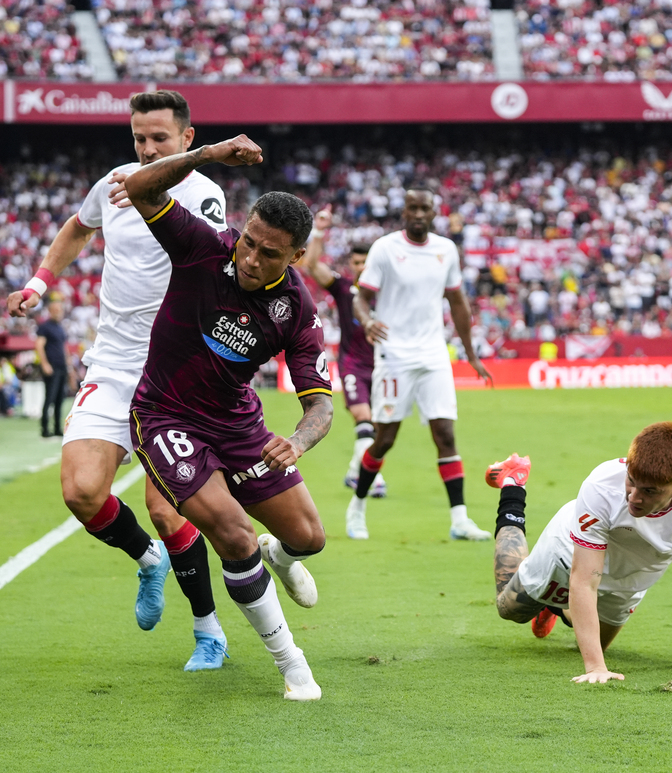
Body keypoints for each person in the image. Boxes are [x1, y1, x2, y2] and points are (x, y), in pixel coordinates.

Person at [7, 90, 232, 671]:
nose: (148, 148)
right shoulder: (114, 183)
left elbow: (207, 263)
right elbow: (76, 230)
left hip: (175, 373)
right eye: (139, 139)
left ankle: (208, 630)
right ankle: (147, 560)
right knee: (81, 491)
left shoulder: (204, 195)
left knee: (168, 507)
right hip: (112, 363)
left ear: (187, 139)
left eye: (160, 138)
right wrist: (38, 284)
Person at [119, 133, 333, 700]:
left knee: (309, 539)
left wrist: (299, 442)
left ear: (296, 258)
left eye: (270, 253)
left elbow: (320, 404)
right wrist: (208, 154)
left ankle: (278, 558)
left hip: (237, 422)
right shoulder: (202, 246)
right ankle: (293, 666)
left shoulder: (299, 309)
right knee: (234, 535)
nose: (251, 258)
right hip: (165, 415)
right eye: (250, 242)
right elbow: (136, 186)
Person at [486, 422, 672, 684]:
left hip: (633, 578)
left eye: (649, 491)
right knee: (510, 610)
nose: (634, 497)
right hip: (569, 554)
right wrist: (596, 668)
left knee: (593, 642)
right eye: (631, 481)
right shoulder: (601, 486)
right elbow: (584, 579)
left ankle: (556, 605)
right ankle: (513, 484)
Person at [346, 186, 494, 542]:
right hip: (395, 355)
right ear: (404, 212)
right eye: (411, 207)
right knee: (385, 439)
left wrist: (470, 352)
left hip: (433, 354)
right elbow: (361, 299)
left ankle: (459, 519)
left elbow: (457, 302)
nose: (417, 213)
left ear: (433, 212)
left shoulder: (446, 250)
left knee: (445, 434)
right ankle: (358, 507)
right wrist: (367, 322)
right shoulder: (385, 248)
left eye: (423, 208)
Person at [299, 205, 386, 497]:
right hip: (353, 365)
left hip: (384, 366)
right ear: (351, 264)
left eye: (366, 262)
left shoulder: (387, 291)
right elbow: (311, 264)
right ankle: (373, 479)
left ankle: (354, 472)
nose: (361, 267)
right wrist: (320, 230)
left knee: (376, 427)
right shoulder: (344, 287)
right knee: (363, 418)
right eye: (357, 262)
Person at [35, 298, 69, 437]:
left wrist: (68, 366)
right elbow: (39, 345)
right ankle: (44, 428)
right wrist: (44, 364)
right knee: (49, 398)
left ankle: (56, 428)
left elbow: (64, 348)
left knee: (60, 399)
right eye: (55, 310)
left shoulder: (60, 328)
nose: (58, 312)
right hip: (52, 366)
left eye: (60, 310)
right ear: (50, 311)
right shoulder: (45, 327)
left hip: (62, 367)